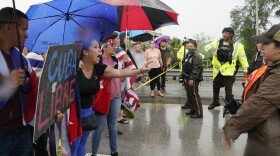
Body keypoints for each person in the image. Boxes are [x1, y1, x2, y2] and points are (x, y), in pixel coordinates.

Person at [71, 39, 150, 156]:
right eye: (96, 47)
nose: (99, 50)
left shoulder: (98, 68)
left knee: (82, 143)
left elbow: (120, 73)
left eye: (99, 46)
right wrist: (73, 63)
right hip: (74, 114)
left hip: (88, 112)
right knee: (74, 146)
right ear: (85, 52)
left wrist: (140, 71)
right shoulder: (72, 68)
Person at [223, 24, 280, 156]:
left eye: (266, 43)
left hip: (269, 145)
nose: (261, 46)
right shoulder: (272, 67)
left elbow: (259, 104)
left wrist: (230, 128)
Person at [0, 7, 39, 155]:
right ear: (9, 27)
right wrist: (9, 84)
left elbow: (34, 86)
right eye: (24, 29)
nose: (27, 35)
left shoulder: (21, 58)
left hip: (22, 132)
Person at [204, 27, 248, 109]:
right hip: (218, 70)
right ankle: (215, 102)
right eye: (223, 33)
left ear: (231, 35)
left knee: (228, 91)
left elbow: (243, 58)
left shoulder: (238, 46)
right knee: (215, 87)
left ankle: (229, 106)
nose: (224, 34)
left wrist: (245, 69)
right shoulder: (216, 43)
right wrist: (211, 48)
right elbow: (205, 47)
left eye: (226, 33)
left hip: (229, 71)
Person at [182, 40, 203, 118]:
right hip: (187, 77)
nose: (189, 47)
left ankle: (199, 112)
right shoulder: (188, 54)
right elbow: (185, 65)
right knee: (190, 95)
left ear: (195, 47)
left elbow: (196, 68)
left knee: (194, 94)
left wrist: (192, 79)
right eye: (188, 46)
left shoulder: (196, 55)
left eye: (191, 46)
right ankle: (193, 109)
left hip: (193, 78)